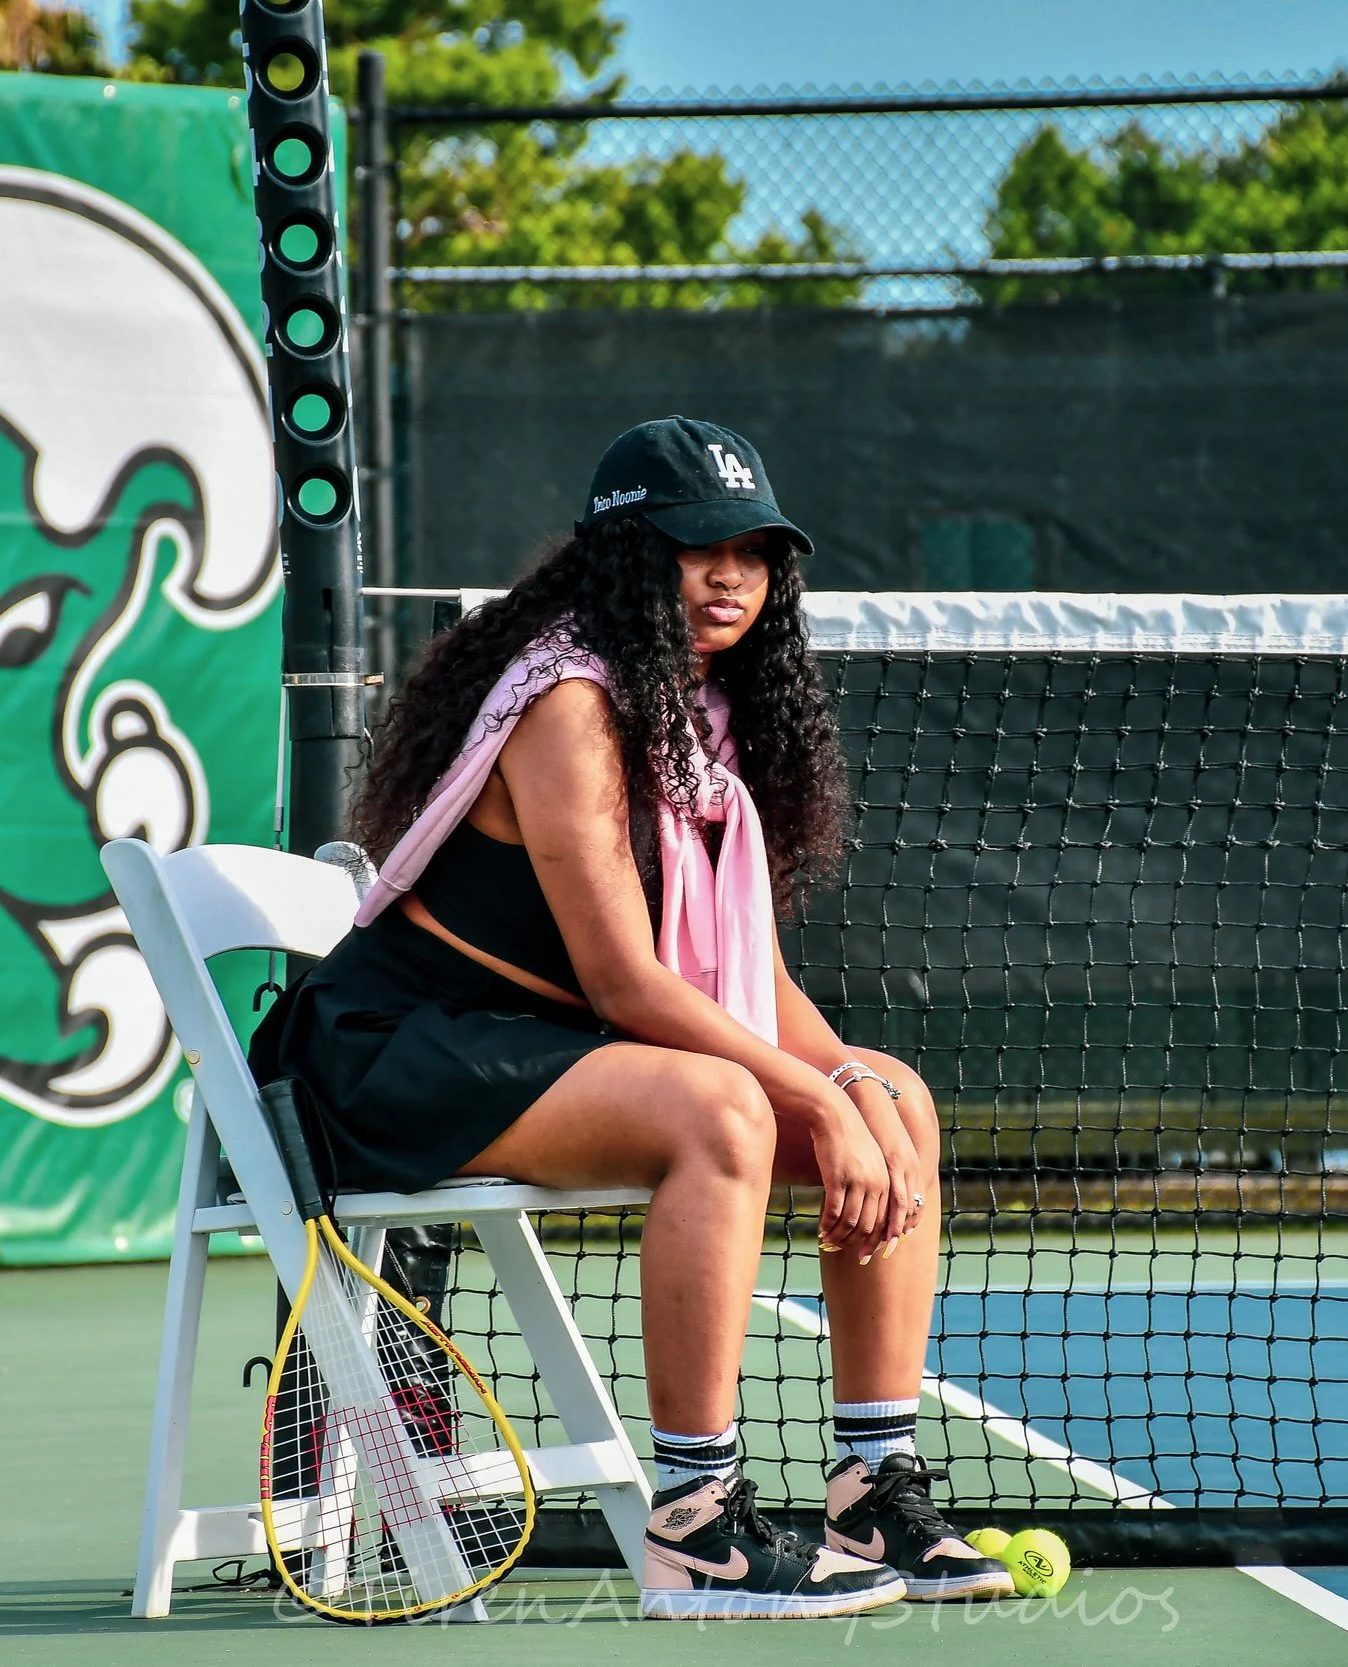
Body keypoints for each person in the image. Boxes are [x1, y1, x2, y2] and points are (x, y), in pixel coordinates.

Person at [252, 416, 1014, 1621]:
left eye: (753, 552)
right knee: (722, 1109)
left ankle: (872, 1489)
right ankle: (696, 1523)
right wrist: (812, 1099)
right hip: (401, 1050)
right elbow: (626, 983)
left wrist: (851, 1088)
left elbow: (749, 973)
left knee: (899, 1099)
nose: (730, 576)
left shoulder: (696, 716)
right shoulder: (568, 703)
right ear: (625, 557)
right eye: (697, 548)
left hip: (538, 1048)